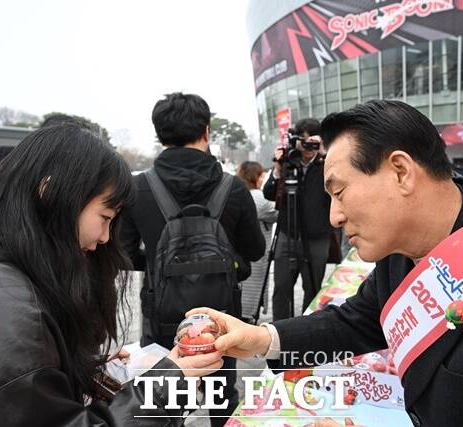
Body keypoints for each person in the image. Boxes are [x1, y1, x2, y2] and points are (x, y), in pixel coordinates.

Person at [190, 100, 463, 426]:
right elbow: (359, 321)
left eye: (338, 192)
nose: (334, 217)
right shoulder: (402, 248)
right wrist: (258, 338)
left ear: (401, 171)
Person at [0, 123, 224, 427]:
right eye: (105, 217)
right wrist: (165, 386)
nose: (106, 237)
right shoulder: (4, 313)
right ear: (50, 191)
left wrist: (77, 367)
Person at [121, 92, 265, 426]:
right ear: (207, 131)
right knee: (221, 393)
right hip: (219, 315)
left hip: (162, 314)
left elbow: (124, 254)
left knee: (164, 395)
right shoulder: (233, 188)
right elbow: (255, 250)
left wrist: (158, 266)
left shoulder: (139, 187)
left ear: (159, 134)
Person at [263, 118, 333, 321]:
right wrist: (278, 168)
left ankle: (306, 333)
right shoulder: (287, 162)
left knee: (312, 288)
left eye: (314, 142)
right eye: (304, 141)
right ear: (295, 140)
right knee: (281, 288)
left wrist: (325, 155)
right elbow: (269, 193)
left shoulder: (327, 164)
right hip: (287, 234)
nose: (309, 147)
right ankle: (279, 333)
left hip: (317, 237)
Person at [236, 161, 278, 321]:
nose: (262, 179)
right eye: (261, 175)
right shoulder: (258, 197)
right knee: (250, 299)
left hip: (243, 253)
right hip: (256, 255)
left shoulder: (240, 193)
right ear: (254, 176)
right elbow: (280, 211)